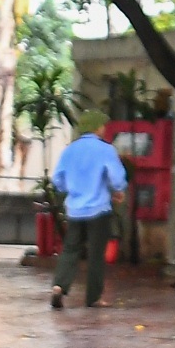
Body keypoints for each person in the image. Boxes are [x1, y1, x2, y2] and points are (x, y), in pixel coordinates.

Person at [50, 109, 127, 309]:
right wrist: (118, 190)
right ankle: (93, 297)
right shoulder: (105, 150)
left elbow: (57, 179)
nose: (104, 128)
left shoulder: (69, 150)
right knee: (96, 254)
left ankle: (59, 286)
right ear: (96, 127)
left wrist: (72, 190)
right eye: (102, 125)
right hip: (98, 209)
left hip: (75, 209)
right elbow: (116, 178)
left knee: (70, 249)